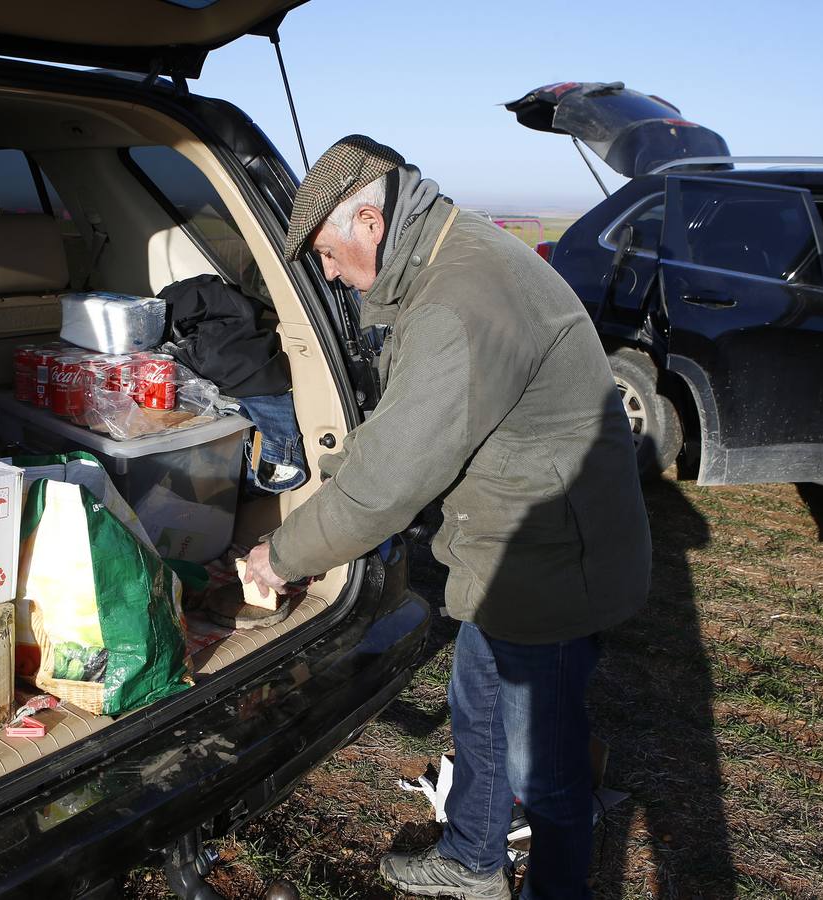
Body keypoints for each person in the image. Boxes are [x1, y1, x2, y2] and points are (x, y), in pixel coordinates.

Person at [242, 135, 651, 900]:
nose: (328, 273)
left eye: (328, 254)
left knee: (548, 773)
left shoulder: (456, 301)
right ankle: (471, 862)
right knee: (480, 713)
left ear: (368, 220)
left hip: (554, 563)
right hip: (513, 553)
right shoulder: (453, 257)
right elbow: (408, 433)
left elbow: (388, 483)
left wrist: (280, 554)